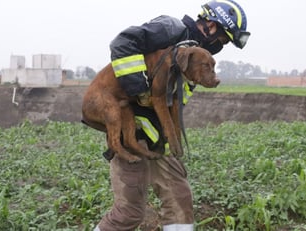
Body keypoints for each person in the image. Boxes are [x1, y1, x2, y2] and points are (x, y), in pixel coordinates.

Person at [94, 0, 250, 230]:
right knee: (129, 212)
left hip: (159, 139)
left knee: (180, 200)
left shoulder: (197, 57)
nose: (221, 46)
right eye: (224, 39)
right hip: (132, 135)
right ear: (212, 26)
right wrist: (139, 89)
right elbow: (123, 43)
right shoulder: (170, 29)